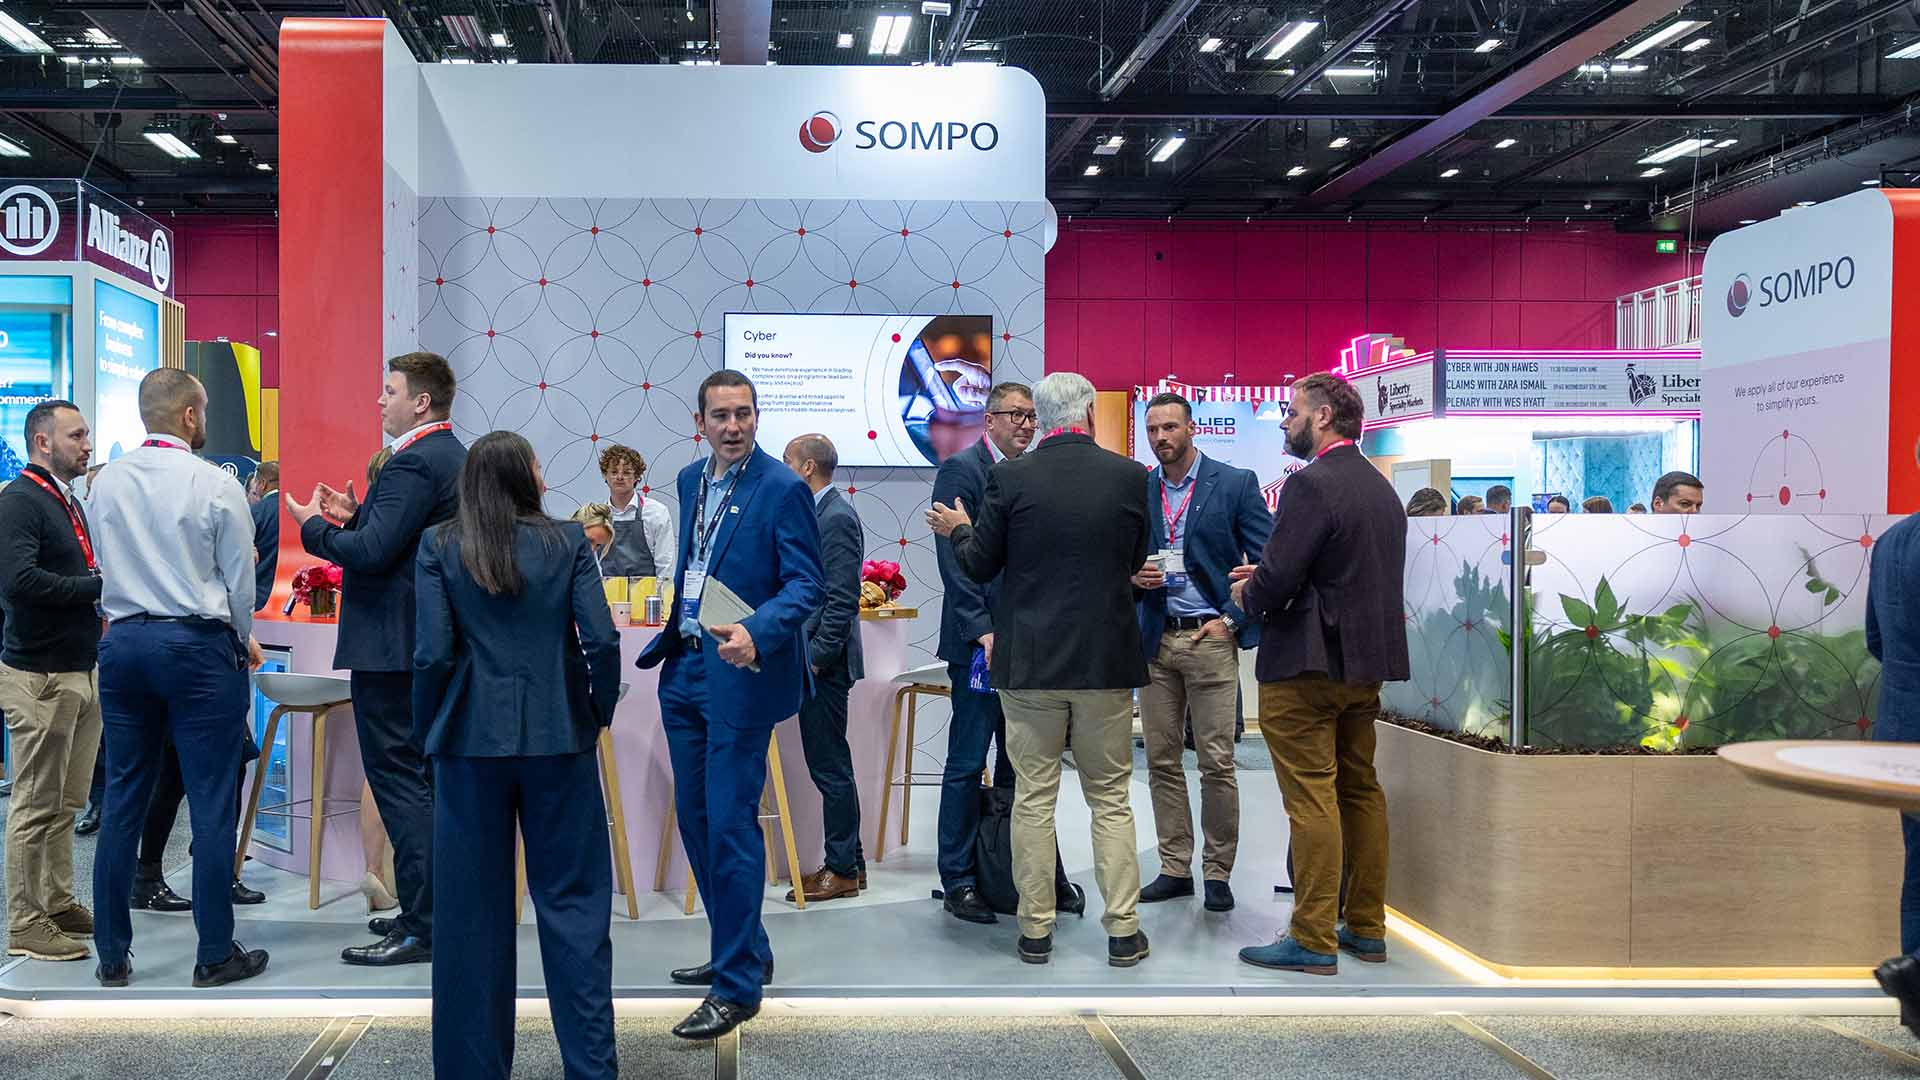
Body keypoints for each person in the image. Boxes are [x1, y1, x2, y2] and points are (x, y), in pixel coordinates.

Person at [414, 431, 622, 1079]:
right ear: (526, 477)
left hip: (468, 745)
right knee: (576, 912)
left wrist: (431, 732)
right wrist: (594, 715)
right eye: (538, 463)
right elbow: (604, 642)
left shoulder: (440, 544)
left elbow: (431, 655)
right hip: (560, 741)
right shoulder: (568, 541)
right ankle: (591, 1070)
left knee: (469, 920)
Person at [927, 372, 1152, 969]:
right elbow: (1134, 561)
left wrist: (959, 530)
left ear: (1044, 419)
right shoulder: (1130, 477)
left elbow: (978, 562)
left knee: (1032, 797)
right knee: (1110, 799)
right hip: (1104, 664)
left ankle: (1035, 931)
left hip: (1029, 667)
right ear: (1089, 415)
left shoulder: (1010, 477)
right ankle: (1124, 930)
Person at [637, 370, 824, 1041]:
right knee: (695, 820)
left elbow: (809, 585)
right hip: (685, 667)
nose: (733, 426)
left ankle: (737, 987)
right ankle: (741, 950)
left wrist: (759, 632)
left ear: (756, 415)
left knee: (729, 824)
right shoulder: (691, 481)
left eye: (743, 413)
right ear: (701, 421)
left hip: (741, 673)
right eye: (720, 415)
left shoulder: (782, 488)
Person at [89, 368, 268, 989]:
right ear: (190, 417)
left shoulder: (103, 483)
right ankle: (214, 953)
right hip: (196, 646)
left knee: (122, 799)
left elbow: (103, 565)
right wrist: (239, 634)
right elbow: (238, 580)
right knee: (214, 799)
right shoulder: (213, 484)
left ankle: (111, 955)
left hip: (124, 642)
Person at [286, 351, 465, 967]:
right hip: (418, 644)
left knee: (401, 783)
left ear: (420, 401)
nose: (379, 400)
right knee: (421, 781)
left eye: (389, 391)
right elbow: (395, 539)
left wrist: (314, 528)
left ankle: (424, 924)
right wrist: (356, 516)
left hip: (394, 647)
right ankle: (430, 915)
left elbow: (373, 553)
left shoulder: (414, 461)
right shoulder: (446, 456)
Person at [1229, 372, 1407, 977]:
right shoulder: (1380, 489)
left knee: (1311, 801)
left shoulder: (1311, 486)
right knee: (1360, 791)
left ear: (1323, 417)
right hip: (1364, 668)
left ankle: (1311, 936)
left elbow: (1279, 579)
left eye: (1292, 410)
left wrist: (1248, 590)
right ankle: (1365, 926)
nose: (1284, 420)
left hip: (1305, 668)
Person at [1132, 392, 1273, 914]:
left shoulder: (1233, 484)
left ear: (1193, 429)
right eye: (1153, 430)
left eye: (1170, 427)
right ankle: (1175, 867)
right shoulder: (1140, 487)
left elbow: (1269, 561)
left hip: (1210, 638)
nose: (1162, 438)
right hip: (1155, 640)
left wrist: (1233, 620)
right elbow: (1119, 554)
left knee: (1217, 762)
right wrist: (1132, 575)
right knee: (1162, 762)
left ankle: (1217, 871)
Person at [0, 401, 102, 963]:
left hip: (77, 670)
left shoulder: (65, 501)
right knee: (35, 803)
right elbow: (17, 581)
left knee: (66, 800)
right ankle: (25, 920)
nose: (87, 444)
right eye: (76, 435)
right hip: (38, 677)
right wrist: (95, 589)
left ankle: (57, 902)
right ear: (43, 443)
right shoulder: (19, 502)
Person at [929, 381, 1032, 925]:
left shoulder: (1031, 473)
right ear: (988, 420)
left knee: (1019, 764)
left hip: (1024, 645)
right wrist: (981, 629)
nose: (1025, 424)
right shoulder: (961, 469)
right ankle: (959, 879)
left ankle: (1014, 873)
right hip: (978, 645)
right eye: (1014, 415)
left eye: (1031, 416)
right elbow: (955, 562)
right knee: (967, 762)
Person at [782, 433, 867, 902]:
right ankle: (850, 861)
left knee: (830, 766)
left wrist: (815, 658)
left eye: (788, 462)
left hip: (824, 665)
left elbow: (840, 600)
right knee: (832, 762)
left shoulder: (834, 517)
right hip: (817, 660)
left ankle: (841, 870)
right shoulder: (819, 514)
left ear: (808, 467)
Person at [1870, 477, 1920, 1034]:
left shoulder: (1891, 541)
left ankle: (1916, 1003)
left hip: (1904, 722)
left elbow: (1876, 640)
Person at [599, 444, 676, 579]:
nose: (620, 477)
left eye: (627, 472)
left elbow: (665, 567)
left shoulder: (657, 513)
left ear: (637, 477)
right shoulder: (597, 518)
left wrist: (660, 599)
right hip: (606, 597)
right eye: (614, 472)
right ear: (605, 475)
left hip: (647, 597)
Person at [249, 461, 280, 612]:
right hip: (293, 597)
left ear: (262, 484)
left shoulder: (256, 513)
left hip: (258, 595)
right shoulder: (297, 509)